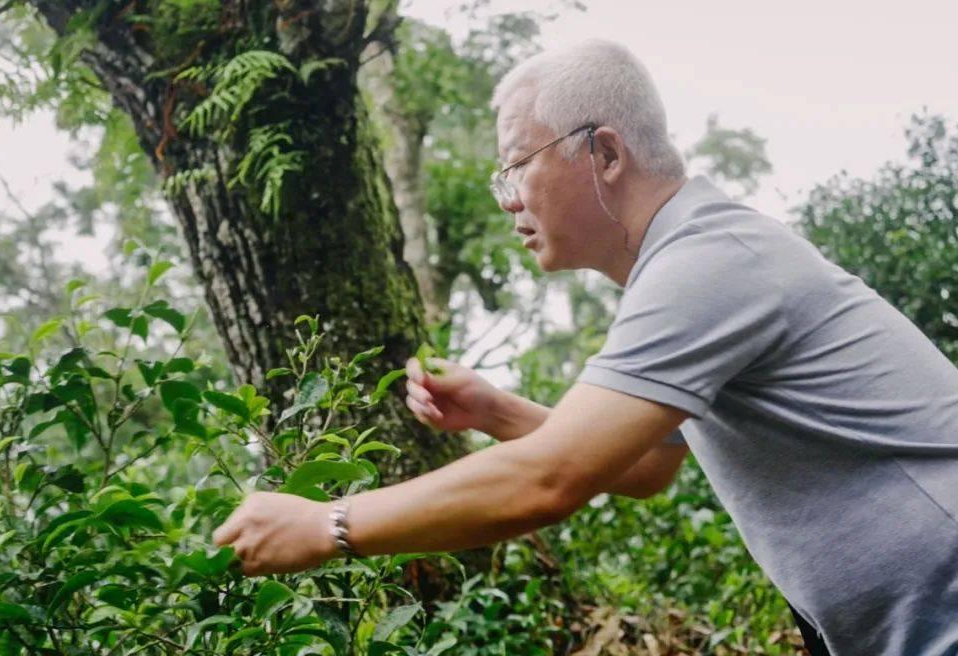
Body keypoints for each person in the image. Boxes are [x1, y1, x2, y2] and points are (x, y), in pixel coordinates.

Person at [212, 38, 958, 656]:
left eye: (515, 167)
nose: (507, 200)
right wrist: (495, 410)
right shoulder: (686, 266)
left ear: (603, 151)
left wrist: (325, 524)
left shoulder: (709, 263)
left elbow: (549, 481)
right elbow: (648, 466)